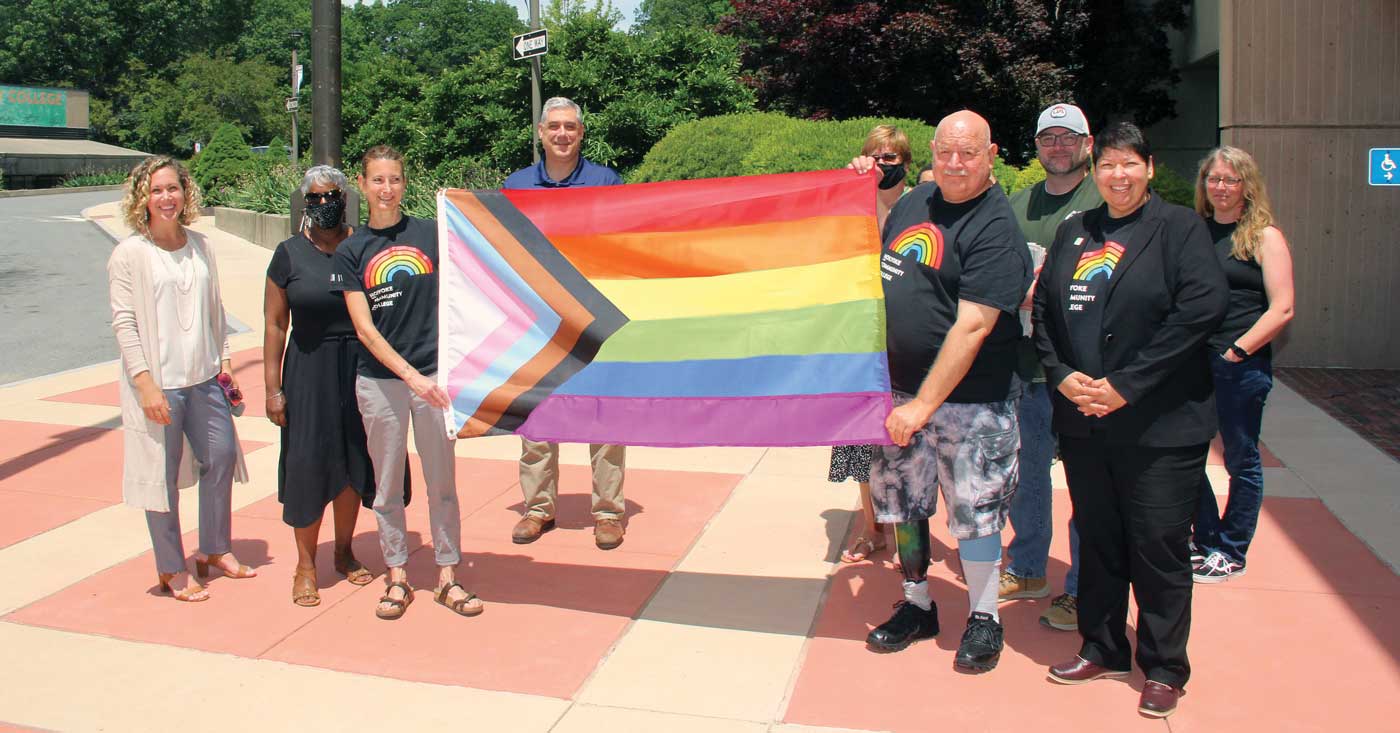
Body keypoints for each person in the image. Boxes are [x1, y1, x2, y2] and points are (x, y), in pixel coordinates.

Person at [1033, 122, 1227, 718]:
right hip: (1086, 420)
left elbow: (1200, 311)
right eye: (1108, 166)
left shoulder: (1179, 229)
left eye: (1129, 164)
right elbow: (1043, 313)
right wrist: (1062, 375)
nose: (1118, 175)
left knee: (1158, 545)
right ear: (1095, 172)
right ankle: (1104, 645)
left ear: (1148, 166)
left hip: (1159, 424)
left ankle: (1165, 665)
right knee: (1100, 538)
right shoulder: (1075, 232)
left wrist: (1126, 385)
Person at [852, 111, 1032, 673]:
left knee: (975, 512)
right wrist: (855, 183)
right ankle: (916, 604)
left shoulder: (995, 228)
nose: (956, 163)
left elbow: (973, 326)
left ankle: (984, 618)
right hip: (899, 392)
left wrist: (922, 405)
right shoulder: (914, 203)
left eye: (969, 153)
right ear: (932, 151)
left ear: (991, 154)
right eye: (946, 152)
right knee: (903, 504)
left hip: (969, 403)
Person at [333, 145, 483, 620]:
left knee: (443, 484)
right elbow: (365, 331)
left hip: (436, 381)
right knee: (387, 489)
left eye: (395, 179)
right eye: (377, 180)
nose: (387, 189)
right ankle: (396, 573)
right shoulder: (351, 250)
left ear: (404, 182)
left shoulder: (431, 234)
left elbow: (472, 276)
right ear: (362, 185)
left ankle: (448, 574)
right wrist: (413, 378)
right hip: (383, 384)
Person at [107, 156, 253, 602]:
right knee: (161, 477)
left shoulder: (201, 245)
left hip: (205, 378)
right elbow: (124, 323)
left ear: (185, 193)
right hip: (160, 384)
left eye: (173, 188)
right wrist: (144, 382)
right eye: (156, 190)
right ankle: (171, 567)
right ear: (142, 199)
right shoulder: (130, 254)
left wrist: (225, 363)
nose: (166, 198)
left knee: (222, 457)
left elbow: (216, 310)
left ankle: (213, 548)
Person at [266, 165, 401, 607]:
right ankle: (306, 564)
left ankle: (344, 551)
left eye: (333, 196)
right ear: (305, 203)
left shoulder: (363, 246)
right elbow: (274, 325)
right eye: (316, 198)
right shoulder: (288, 254)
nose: (325, 204)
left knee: (353, 460)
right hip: (308, 369)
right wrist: (273, 388)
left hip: (362, 368)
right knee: (307, 463)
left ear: (347, 197)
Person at [503, 97, 628, 550]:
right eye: (553, 126)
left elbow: (622, 243)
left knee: (604, 416)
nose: (561, 134)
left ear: (581, 133)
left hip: (596, 318)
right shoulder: (515, 186)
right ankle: (537, 509)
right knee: (537, 414)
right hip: (537, 321)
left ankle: (610, 512)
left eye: (570, 127)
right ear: (540, 132)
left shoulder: (605, 181)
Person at [1001, 103, 1101, 630]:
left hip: (1084, 370)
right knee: (1026, 473)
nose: (1058, 147)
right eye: (1048, 139)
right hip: (1026, 365)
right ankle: (1028, 567)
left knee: (1088, 482)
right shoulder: (1016, 205)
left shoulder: (1105, 201)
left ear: (1088, 144)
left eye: (1069, 138)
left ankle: (1084, 588)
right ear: (1037, 147)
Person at [1191, 146, 1294, 583]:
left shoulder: (1264, 237)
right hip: (1192, 364)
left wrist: (1236, 351)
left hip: (1240, 366)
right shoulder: (1195, 231)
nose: (1221, 187)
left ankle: (1232, 549)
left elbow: (1282, 308)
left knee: (1241, 459)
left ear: (1247, 186)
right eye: (1214, 178)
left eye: (1231, 180)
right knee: (1187, 453)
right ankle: (1206, 538)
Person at [834, 124, 913, 564]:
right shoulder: (850, 198)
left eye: (892, 158)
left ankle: (905, 528)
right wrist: (851, 182)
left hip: (906, 339)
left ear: (906, 162)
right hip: (861, 338)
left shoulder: (920, 205)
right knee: (859, 439)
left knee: (904, 441)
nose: (883, 164)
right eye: (875, 156)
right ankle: (870, 526)